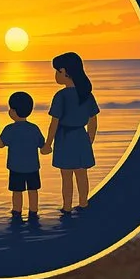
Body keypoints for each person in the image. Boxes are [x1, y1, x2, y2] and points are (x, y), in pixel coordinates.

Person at [47, 52, 97, 210]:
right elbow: (93, 120)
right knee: (82, 175)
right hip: (81, 137)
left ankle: (67, 206)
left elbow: (54, 123)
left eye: (57, 71)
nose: (56, 75)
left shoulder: (61, 96)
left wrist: (48, 143)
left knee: (66, 177)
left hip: (65, 138)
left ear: (64, 72)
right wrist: (89, 139)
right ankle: (83, 203)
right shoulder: (86, 95)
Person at [0, 92, 46, 219]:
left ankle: (17, 211)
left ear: (13, 111)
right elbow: (42, 145)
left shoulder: (9, 129)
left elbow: (0, 144)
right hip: (32, 167)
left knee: (17, 191)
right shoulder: (34, 128)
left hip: (15, 168)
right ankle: (33, 211)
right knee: (33, 190)